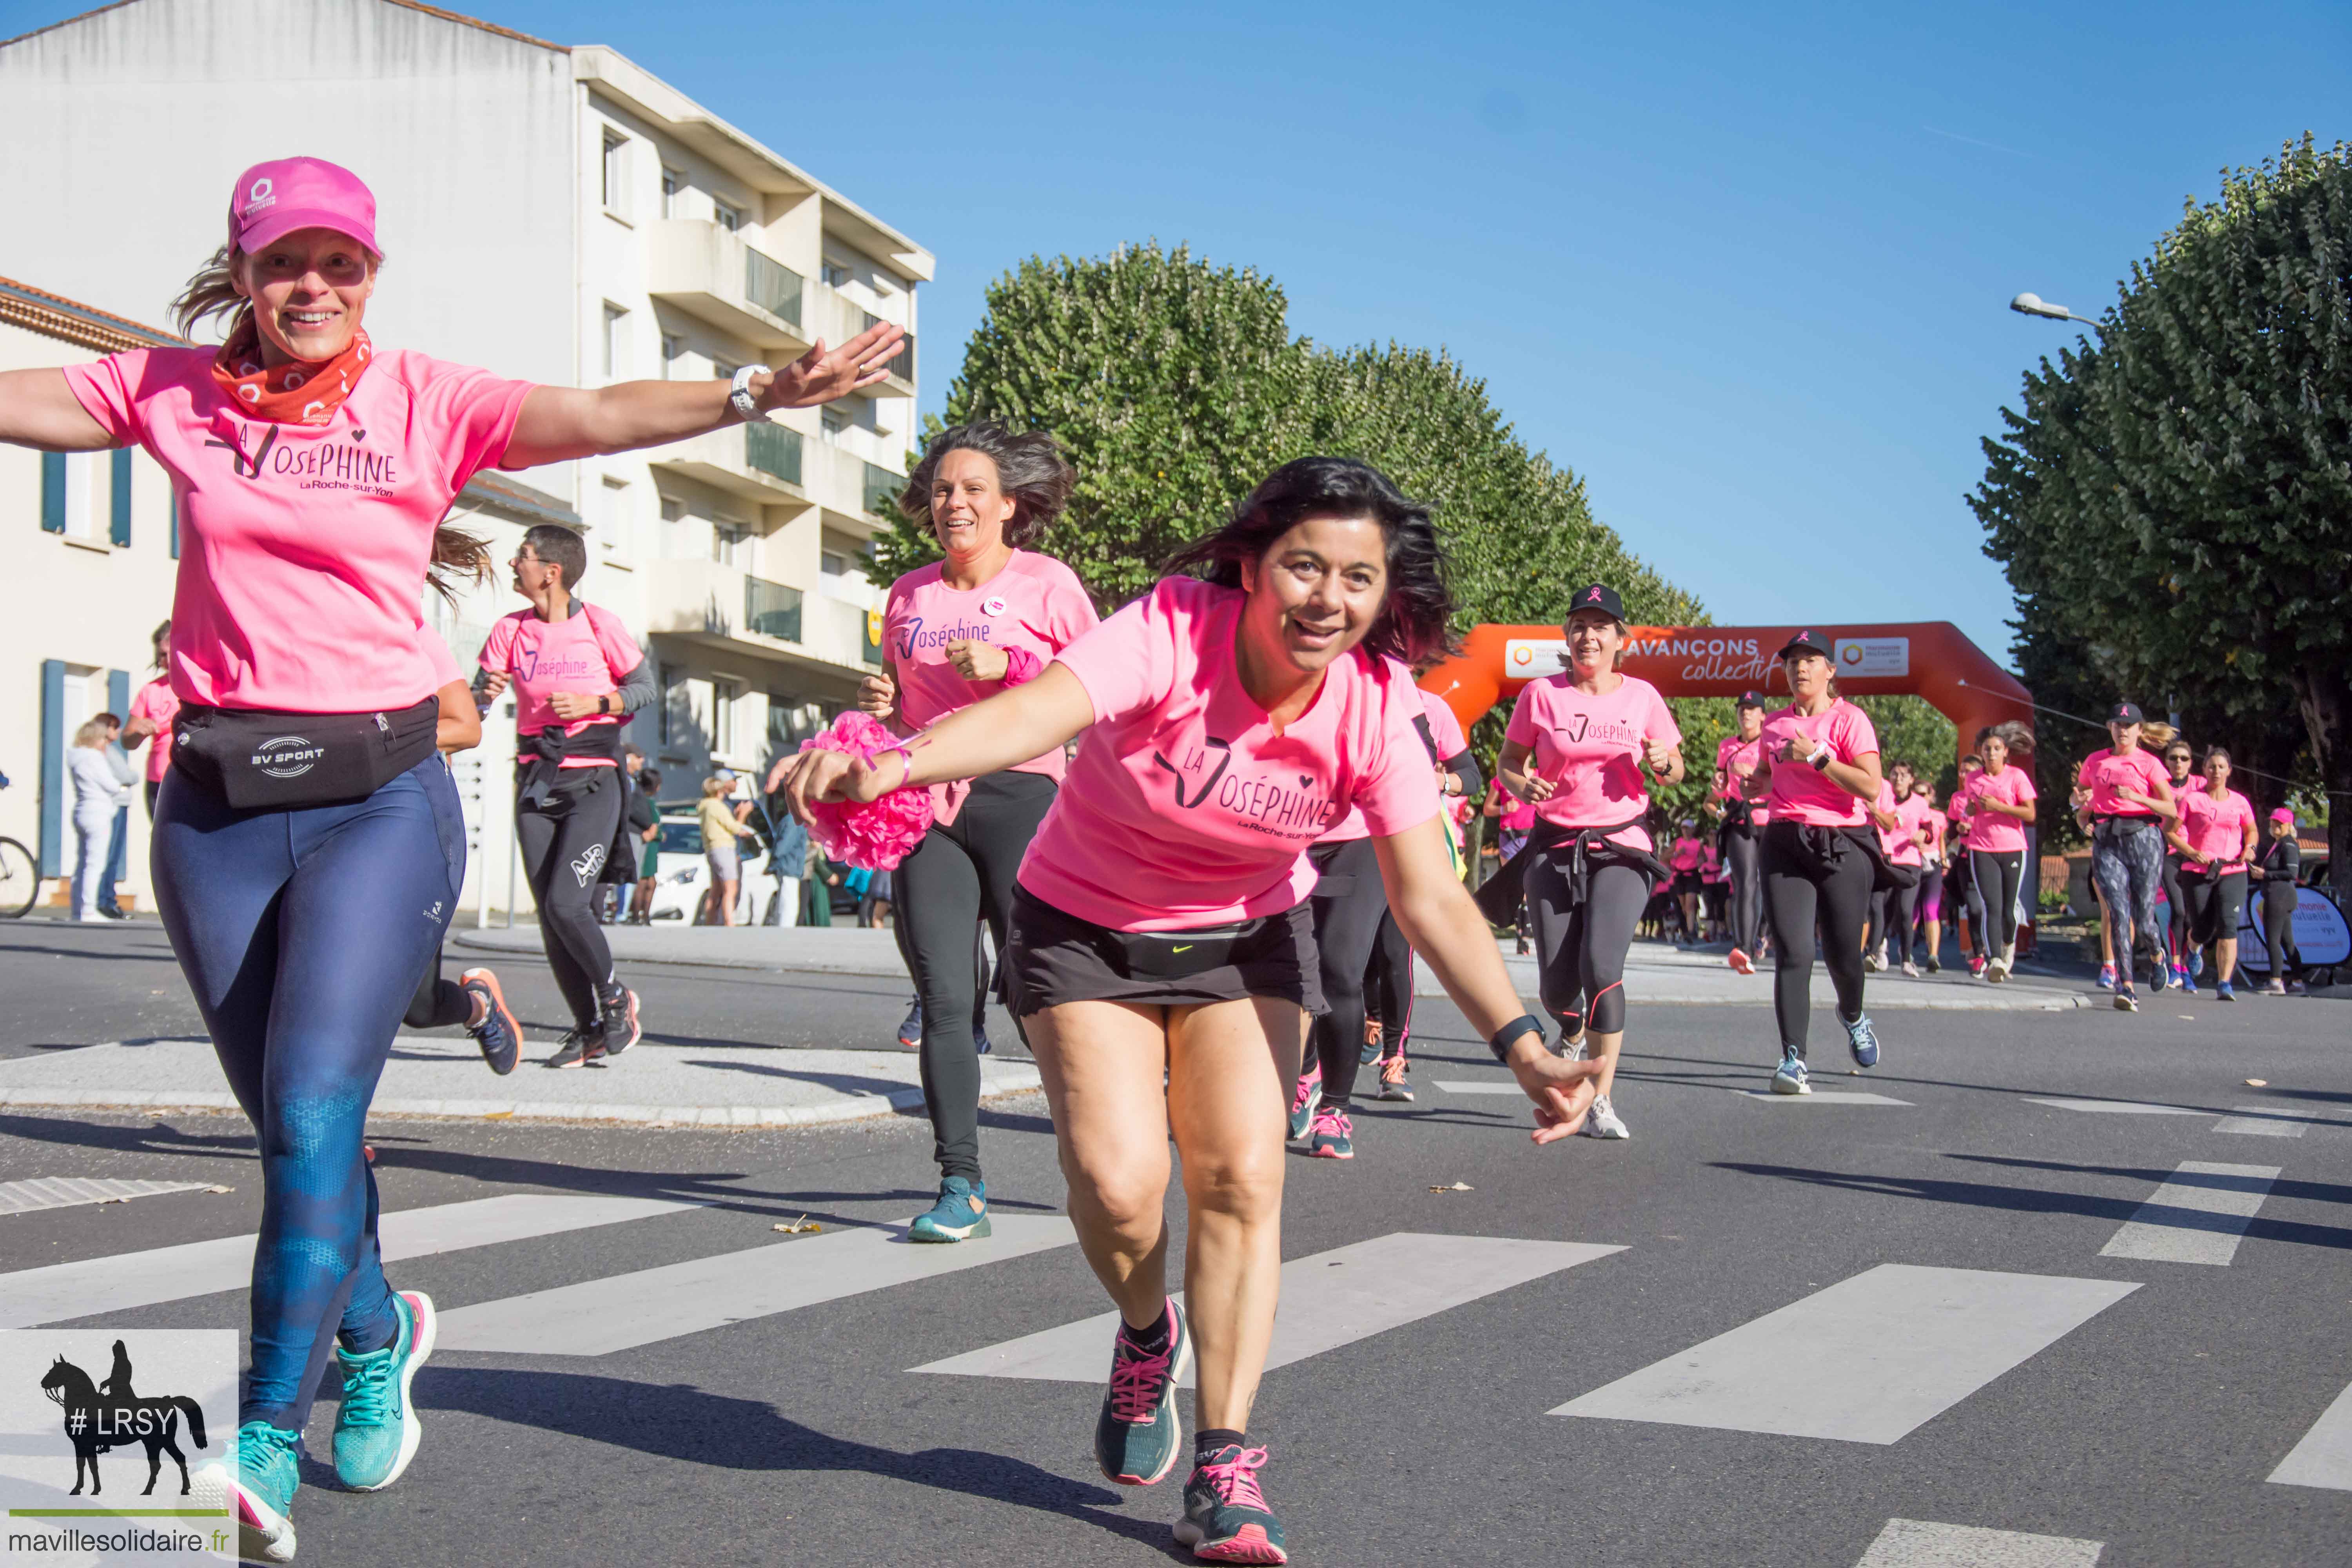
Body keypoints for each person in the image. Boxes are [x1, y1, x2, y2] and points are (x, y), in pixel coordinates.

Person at [0, 154, 903, 1562]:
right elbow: (22, 399)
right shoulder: (171, 390)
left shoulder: (425, 399)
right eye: (286, 263)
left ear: (371, 274)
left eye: (341, 264)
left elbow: (597, 411)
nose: (314, 287)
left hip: (378, 801)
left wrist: (751, 396)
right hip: (213, 812)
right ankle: (375, 1333)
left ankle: (251, 1439)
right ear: (242, 270)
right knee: (296, 1128)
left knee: (310, 1112)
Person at [780, 456, 1596, 1565]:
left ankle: (1225, 1465)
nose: (1328, 599)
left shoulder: (1371, 709)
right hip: (1083, 929)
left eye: (1358, 579)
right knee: (1119, 1189)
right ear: (1255, 566)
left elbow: (1431, 894)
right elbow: (1031, 716)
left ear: (1383, 595)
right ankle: (1143, 1333)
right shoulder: (1172, 626)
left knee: (1242, 1179)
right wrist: (890, 768)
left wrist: (1523, 1044)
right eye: (1305, 566)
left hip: (1246, 945)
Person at [788, 423, 1098, 1244]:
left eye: (970, 490)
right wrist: (883, 703)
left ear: (1008, 505)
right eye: (941, 489)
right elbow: (902, 698)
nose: (952, 501)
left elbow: (1101, 690)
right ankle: (961, 1182)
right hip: (925, 805)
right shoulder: (908, 593)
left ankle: (1099, 1153)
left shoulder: (1050, 584)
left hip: (1023, 798)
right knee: (944, 999)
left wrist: (1014, 675)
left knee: (1042, 995)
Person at [1490, 582, 1685, 1141]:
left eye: (1601, 626)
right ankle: (1570, 1029)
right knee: (1556, 989)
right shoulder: (1541, 695)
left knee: (1602, 968)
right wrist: (1521, 784)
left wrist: (1663, 761)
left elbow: (1675, 769)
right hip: (1555, 845)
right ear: (1567, 635)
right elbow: (1508, 762)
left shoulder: (1643, 697)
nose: (1588, 635)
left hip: (1623, 845)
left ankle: (1600, 1100)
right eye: (1579, 625)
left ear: (1621, 640)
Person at [475, 524, 656, 1066]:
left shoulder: (600, 625)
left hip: (594, 780)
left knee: (567, 903)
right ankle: (588, 1029)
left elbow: (644, 690)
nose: (513, 565)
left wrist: (598, 702)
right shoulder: (511, 629)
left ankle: (616, 998)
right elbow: (479, 698)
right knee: (550, 915)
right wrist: (479, 696)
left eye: (522, 558)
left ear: (551, 572)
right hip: (536, 781)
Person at [1745, 631, 1885, 1094]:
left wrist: (1819, 756)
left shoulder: (1851, 720)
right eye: (1792, 661)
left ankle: (1853, 1015)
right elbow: (1767, 778)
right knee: (1795, 952)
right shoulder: (1774, 725)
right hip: (1785, 838)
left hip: (1842, 841)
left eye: (1810, 661)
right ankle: (1793, 1061)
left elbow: (1870, 787)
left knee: (1845, 955)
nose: (1799, 669)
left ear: (1830, 670)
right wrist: (1753, 785)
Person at [1358, 682, 1481, 1105]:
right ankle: (1370, 1015)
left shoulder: (1433, 708)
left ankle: (1395, 1059)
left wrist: (1442, 780)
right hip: (1351, 844)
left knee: (1395, 953)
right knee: (1356, 959)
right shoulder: (1351, 693)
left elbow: (1472, 776)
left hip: (1410, 844)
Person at [401, 680, 523, 1074]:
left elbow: (465, 727)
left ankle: (481, 1006)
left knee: (418, 1008)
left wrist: (366, 746)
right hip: (308, 830)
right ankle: (329, 1134)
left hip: (407, 834)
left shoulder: (412, 644)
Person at [2075, 702, 2179, 1011]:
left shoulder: (2149, 763)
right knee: (2119, 914)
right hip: (2107, 840)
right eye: (2118, 725)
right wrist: (2083, 818)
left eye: (2129, 726)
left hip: (2143, 837)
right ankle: (2127, 986)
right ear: (2111, 728)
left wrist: (2137, 797)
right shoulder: (2095, 762)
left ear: (2140, 731)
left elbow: (2171, 809)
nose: (2123, 730)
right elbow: (2080, 803)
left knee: (2144, 919)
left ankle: (2158, 954)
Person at [2165, 748, 2256, 1003]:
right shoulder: (2192, 800)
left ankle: (2225, 983)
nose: (2216, 771)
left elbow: (2252, 831)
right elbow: (2171, 833)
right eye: (2211, 767)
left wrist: (2250, 848)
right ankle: (2193, 948)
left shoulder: (2239, 802)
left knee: (2229, 925)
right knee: (2203, 928)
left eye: (2221, 767)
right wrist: (2192, 852)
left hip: (2233, 870)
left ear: (2230, 771)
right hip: (2198, 871)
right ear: (2204, 770)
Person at [1957, 727, 2036, 984]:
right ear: (1980, 752)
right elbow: (1970, 810)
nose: (1991, 753)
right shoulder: (1973, 780)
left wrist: (2000, 807)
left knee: (2007, 909)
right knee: (1990, 907)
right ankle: (1995, 961)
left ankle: (2008, 945)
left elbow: (2030, 814)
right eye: (1987, 748)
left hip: (2012, 847)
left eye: (1997, 748)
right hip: (1981, 848)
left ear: (2006, 753)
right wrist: (1970, 810)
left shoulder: (2017, 777)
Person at [1711, 691, 1771, 973]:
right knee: (1745, 882)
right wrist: (1718, 792)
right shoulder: (1727, 746)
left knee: (1769, 886)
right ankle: (1742, 948)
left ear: (1763, 715)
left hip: (1771, 818)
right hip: (1739, 819)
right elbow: (1718, 791)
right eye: (1741, 710)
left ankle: (1762, 936)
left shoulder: (1771, 742)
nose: (1745, 714)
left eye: (1751, 709)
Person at [1864, 760, 1927, 975]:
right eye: (1895, 774)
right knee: (1879, 907)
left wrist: (1923, 835)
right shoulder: (1882, 792)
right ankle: (1875, 953)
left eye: (1903, 775)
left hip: (1910, 862)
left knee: (1906, 910)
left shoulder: (1919, 803)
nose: (1898, 778)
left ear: (1911, 780)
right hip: (1887, 858)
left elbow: (1929, 830)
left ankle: (1907, 959)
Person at [66, 714, 129, 922]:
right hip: (98, 812)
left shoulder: (76, 757)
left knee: (82, 863)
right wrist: (121, 788)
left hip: (81, 810)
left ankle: (78, 910)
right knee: (95, 864)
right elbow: (111, 785)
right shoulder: (94, 758)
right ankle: (89, 910)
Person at [121, 620, 180, 821]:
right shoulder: (150, 690)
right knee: (162, 845)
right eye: (161, 656)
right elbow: (127, 741)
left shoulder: (202, 687)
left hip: (190, 781)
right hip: (158, 781)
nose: (166, 661)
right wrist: (139, 732)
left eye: (169, 653)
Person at [2158, 737, 2198, 987]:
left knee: (2196, 916)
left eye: (2184, 759)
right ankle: (2176, 967)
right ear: (2167, 762)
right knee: (2179, 910)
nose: (2179, 763)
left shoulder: (2201, 785)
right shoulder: (2159, 788)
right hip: (2169, 853)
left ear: (2191, 763)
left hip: (2196, 854)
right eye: (2174, 758)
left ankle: (2191, 956)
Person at [2251, 808, 2305, 995]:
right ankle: (2298, 982)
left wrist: (2265, 874)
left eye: (2280, 824)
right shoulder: (2279, 844)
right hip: (2279, 895)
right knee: (2287, 942)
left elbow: (2292, 873)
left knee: (2272, 939)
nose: (2276, 827)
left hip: (2280, 896)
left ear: (2289, 826)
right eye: (2274, 823)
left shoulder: (2288, 844)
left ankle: (2276, 982)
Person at [696, 775, 759, 927]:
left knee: (716, 889)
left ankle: (710, 922)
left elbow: (725, 825)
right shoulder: (717, 806)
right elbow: (735, 828)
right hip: (724, 849)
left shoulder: (704, 806)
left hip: (712, 849)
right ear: (718, 791)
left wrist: (736, 817)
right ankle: (729, 922)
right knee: (731, 889)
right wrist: (743, 814)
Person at [1910, 780, 1949, 973]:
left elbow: (1941, 840)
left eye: (1924, 794)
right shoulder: (1909, 813)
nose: (1921, 798)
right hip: (1912, 863)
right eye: (1917, 794)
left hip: (1932, 865)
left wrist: (1944, 860)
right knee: (1912, 911)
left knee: (1930, 910)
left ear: (1931, 796)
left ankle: (1933, 956)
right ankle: (1906, 954)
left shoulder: (1939, 817)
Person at [627, 767, 666, 924]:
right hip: (647, 845)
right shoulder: (645, 802)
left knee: (650, 882)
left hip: (653, 846)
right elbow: (651, 823)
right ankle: (637, 915)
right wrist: (656, 834)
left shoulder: (649, 802)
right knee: (643, 880)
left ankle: (645, 916)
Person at [1664, 818, 1706, 948]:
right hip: (1680, 875)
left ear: (1693, 830)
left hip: (1692, 874)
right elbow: (1664, 857)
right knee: (1683, 906)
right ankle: (1686, 929)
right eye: (1684, 828)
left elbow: (1703, 857)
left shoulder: (1697, 844)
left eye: (1688, 828)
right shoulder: (1677, 843)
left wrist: (1701, 860)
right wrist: (1677, 854)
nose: (1686, 830)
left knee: (1690, 905)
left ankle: (1690, 932)